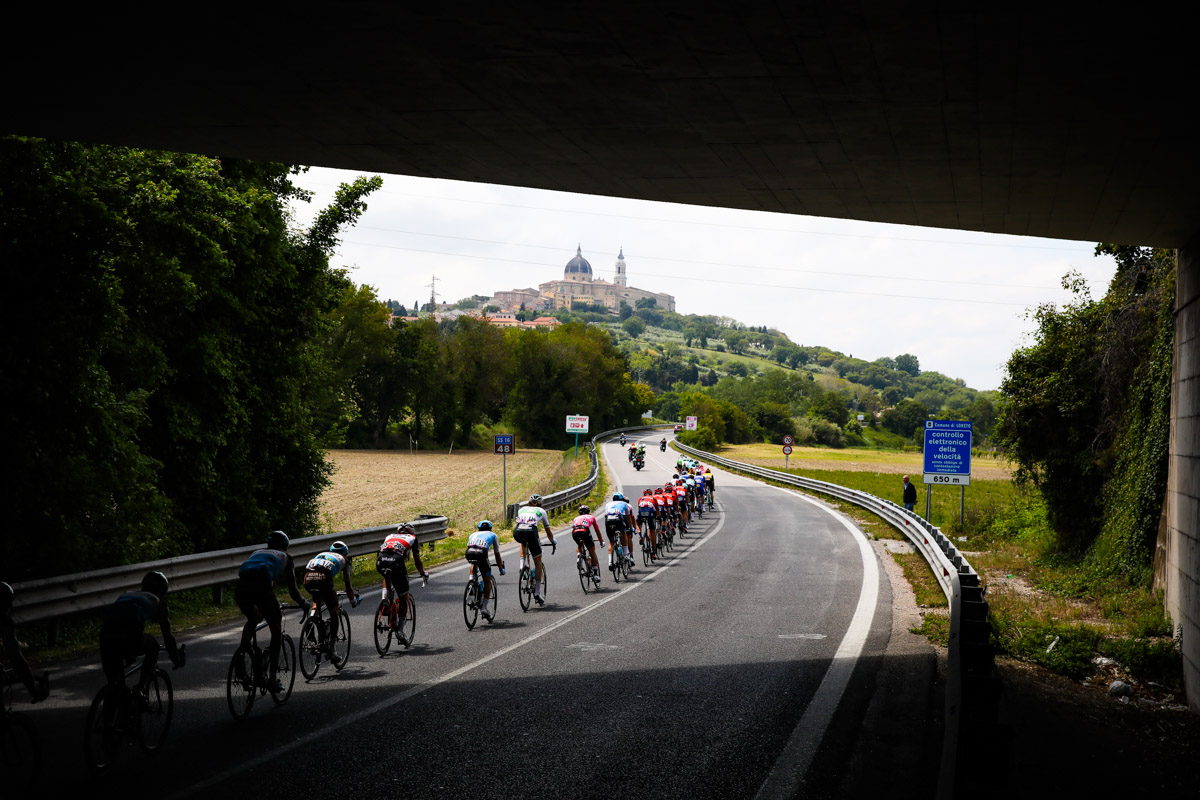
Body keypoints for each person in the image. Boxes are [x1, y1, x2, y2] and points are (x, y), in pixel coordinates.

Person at [98, 571, 184, 725]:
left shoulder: (126, 594)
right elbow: (168, 637)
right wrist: (175, 657)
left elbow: (120, 618)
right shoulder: (158, 602)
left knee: (115, 684)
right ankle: (140, 687)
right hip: (129, 634)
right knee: (154, 646)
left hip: (105, 636)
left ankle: (108, 728)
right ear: (163, 590)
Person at [235, 530, 306, 693]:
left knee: (252, 619)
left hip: (241, 589)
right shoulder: (287, 558)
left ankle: (242, 653)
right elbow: (292, 589)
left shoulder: (257, 552)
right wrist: (303, 603)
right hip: (262, 588)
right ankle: (272, 678)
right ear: (285, 546)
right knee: (276, 629)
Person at [302, 541, 359, 664]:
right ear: (345, 553)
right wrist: (353, 601)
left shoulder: (321, 554)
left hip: (308, 578)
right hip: (323, 579)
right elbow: (348, 585)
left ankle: (311, 620)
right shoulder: (344, 560)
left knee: (318, 600)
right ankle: (332, 651)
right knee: (334, 612)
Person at [377, 523, 428, 641]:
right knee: (403, 595)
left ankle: (385, 601)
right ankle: (400, 631)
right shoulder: (413, 538)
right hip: (396, 562)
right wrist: (422, 573)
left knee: (387, 576)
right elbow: (417, 560)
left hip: (381, 560)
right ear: (411, 532)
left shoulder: (390, 536)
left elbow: (384, 551)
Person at [0, 582, 48, 703]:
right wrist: (32, 689)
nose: (10, 606)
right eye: (8, 602)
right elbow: (16, 659)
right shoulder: (3, 621)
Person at [513, 495, 555, 605]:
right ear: (540, 503)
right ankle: (537, 592)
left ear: (529, 502)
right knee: (538, 561)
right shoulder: (541, 511)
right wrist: (553, 541)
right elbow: (548, 531)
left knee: (523, 542)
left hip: (517, 531)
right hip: (531, 532)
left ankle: (522, 566)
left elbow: (521, 522)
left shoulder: (521, 509)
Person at [465, 521, 505, 619]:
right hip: (481, 553)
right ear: (490, 528)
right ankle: (484, 607)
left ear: (478, 528)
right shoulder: (493, 535)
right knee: (487, 581)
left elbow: (472, 547)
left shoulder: (473, 534)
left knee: (474, 562)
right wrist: (501, 569)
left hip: (469, 552)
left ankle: (471, 581)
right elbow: (497, 555)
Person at [570, 505, 604, 585]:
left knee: (580, 544)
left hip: (575, 531)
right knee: (592, 551)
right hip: (585, 530)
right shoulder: (591, 517)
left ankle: (579, 556)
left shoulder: (576, 518)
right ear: (588, 512)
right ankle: (595, 574)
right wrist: (601, 541)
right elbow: (597, 530)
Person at [604, 493, 636, 570]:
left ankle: (610, 562)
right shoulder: (624, 504)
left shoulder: (608, 504)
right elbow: (628, 518)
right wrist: (631, 528)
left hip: (608, 521)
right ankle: (625, 554)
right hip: (618, 519)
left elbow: (606, 515)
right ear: (621, 499)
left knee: (611, 542)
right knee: (624, 533)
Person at [636, 490, 659, 560]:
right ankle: (654, 551)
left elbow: (639, 509)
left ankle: (640, 536)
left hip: (642, 513)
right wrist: (658, 517)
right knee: (652, 531)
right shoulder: (653, 498)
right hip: (650, 515)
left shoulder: (640, 498)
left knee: (638, 523)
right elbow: (657, 509)